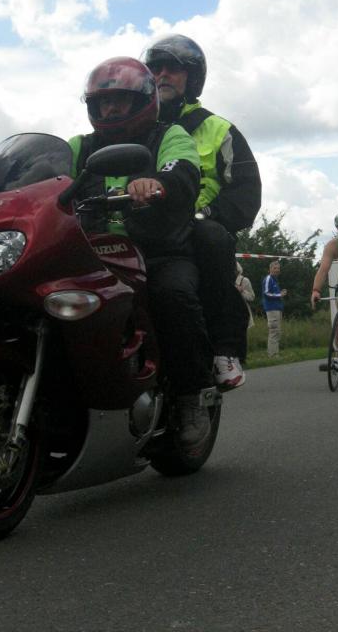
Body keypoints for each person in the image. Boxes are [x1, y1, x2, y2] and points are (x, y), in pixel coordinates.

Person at [69, 56, 212, 453]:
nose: (110, 109)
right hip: (90, 253)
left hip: (157, 251)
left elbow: (183, 171)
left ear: (143, 101)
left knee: (173, 296)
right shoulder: (79, 146)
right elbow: (45, 178)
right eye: (103, 102)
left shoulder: (169, 135)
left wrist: (158, 183)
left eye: (120, 100)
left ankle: (192, 395)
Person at [141, 34, 262, 390]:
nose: (162, 75)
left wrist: (209, 214)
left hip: (197, 229)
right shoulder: (132, 126)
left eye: (173, 68)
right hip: (141, 226)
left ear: (192, 78)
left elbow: (246, 192)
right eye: (155, 68)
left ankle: (225, 349)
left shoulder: (219, 129)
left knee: (212, 238)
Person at [262, 261, 287, 357]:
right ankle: (272, 355)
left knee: (277, 331)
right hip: (272, 309)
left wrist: (280, 293)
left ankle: (275, 353)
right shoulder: (268, 279)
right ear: (270, 269)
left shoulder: (274, 280)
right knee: (274, 331)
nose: (277, 270)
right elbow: (266, 293)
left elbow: (273, 294)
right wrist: (279, 294)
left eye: (278, 268)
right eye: (275, 268)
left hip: (277, 308)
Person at [235, 261, 255, 328]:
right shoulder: (226, 280)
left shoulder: (245, 280)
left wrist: (242, 291)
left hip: (242, 313)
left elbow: (252, 297)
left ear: (238, 270)